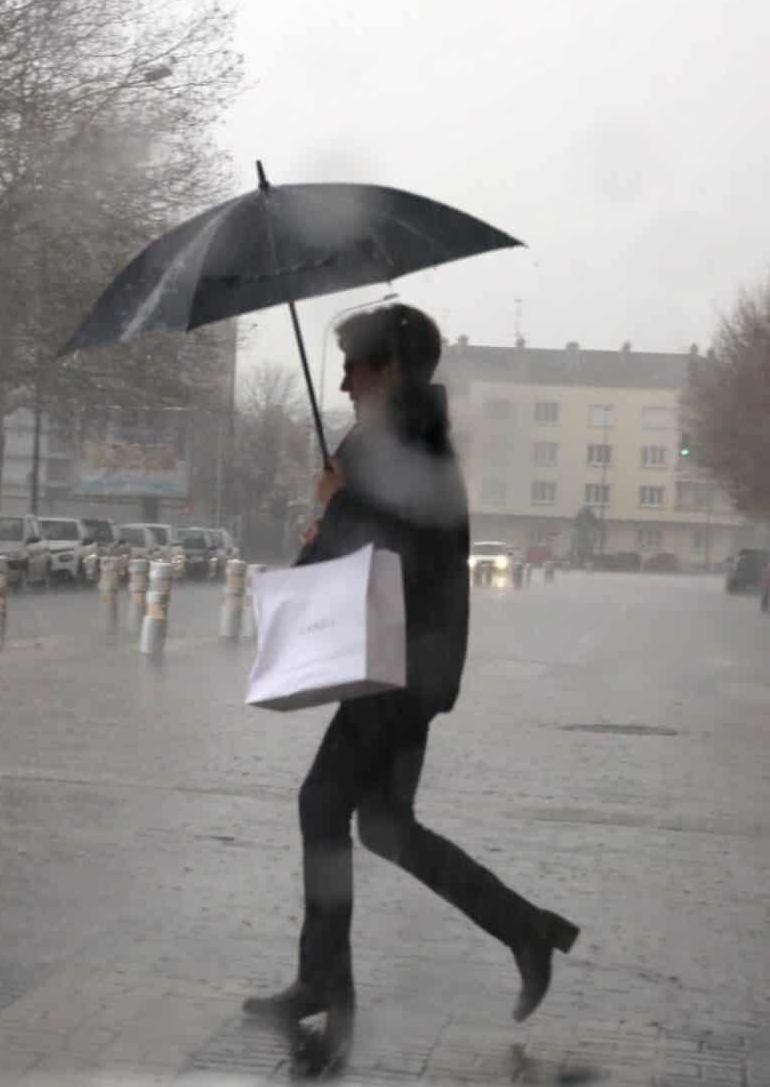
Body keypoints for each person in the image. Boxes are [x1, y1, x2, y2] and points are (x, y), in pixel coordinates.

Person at [242, 303, 580, 1056]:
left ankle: (324, 980)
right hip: (411, 665)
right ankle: (528, 930)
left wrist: (330, 514)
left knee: (322, 804)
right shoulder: (410, 437)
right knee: (385, 826)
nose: (343, 380)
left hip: (394, 667)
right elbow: (380, 546)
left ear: (387, 367)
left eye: (354, 365)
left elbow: (381, 551)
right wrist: (331, 521)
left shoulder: (395, 444)